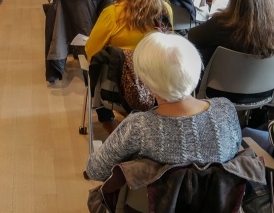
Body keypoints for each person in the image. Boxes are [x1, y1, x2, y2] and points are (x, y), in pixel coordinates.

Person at [85, 33, 241, 181]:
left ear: (147, 83)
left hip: (153, 208)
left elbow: (95, 171)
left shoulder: (138, 127)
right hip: (219, 207)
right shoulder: (226, 110)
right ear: (195, 69)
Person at [188, 0, 274, 99]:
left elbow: (192, 37)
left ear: (235, 1)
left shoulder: (221, 25)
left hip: (217, 92)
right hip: (264, 93)